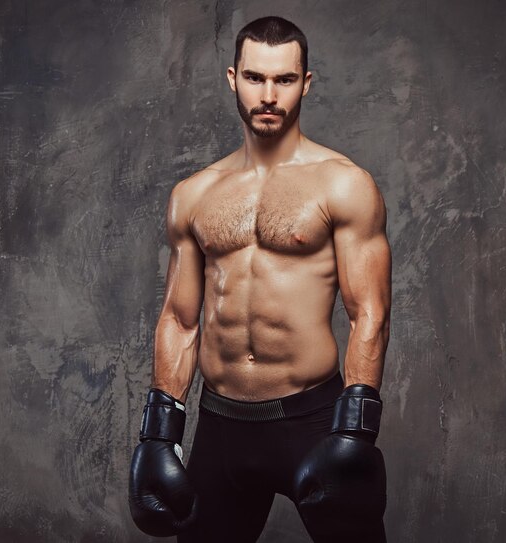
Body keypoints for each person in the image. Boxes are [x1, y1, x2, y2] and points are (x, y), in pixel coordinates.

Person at [128, 15, 392, 543]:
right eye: (255, 78)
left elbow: (370, 312)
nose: (268, 95)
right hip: (221, 425)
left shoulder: (343, 184)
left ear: (306, 83)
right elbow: (180, 321)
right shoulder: (195, 195)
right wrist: (160, 432)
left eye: (284, 80)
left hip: (312, 418)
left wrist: (355, 429)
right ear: (233, 78)